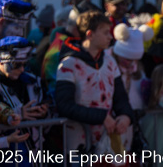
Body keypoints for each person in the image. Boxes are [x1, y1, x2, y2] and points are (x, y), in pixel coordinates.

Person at [54, 10, 134, 154]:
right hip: (78, 145)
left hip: (106, 144)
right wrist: (101, 116)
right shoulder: (68, 64)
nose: (110, 37)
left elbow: (120, 98)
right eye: (105, 32)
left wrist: (126, 116)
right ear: (90, 34)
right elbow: (64, 105)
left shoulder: (110, 61)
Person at [0, 37, 48, 160]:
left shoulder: (33, 82)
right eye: (16, 65)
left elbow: (50, 111)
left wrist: (44, 112)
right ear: (1, 62)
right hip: (6, 157)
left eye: (24, 64)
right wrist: (16, 114)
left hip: (36, 153)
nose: (21, 69)